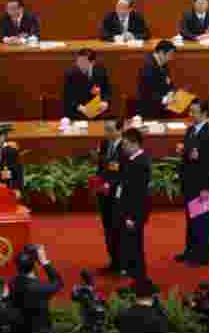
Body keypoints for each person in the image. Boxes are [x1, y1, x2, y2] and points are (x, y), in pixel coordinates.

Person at [177, 98, 209, 266]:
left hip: (202, 186)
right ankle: (190, 251)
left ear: (203, 113)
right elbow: (191, 155)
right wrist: (186, 151)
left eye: (194, 111)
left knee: (202, 222)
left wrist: (206, 188)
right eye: (190, 111)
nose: (190, 114)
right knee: (191, 220)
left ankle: (202, 256)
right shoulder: (190, 130)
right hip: (189, 183)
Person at [116, 128, 152, 280]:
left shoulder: (141, 163)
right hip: (127, 209)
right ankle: (131, 270)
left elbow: (139, 195)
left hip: (135, 212)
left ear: (135, 144)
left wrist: (132, 216)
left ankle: (140, 275)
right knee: (129, 242)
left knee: (136, 244)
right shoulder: (130, 159)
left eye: (125, 145)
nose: (123, 148)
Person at [96, 117, 130, 274]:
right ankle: (113, 261)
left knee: (119, 230)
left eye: (110, 130)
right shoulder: (104, 144)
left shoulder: (125, 147)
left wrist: (111, 184)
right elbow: (102, 166)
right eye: (106, 130)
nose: (107, 133)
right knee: (108, 228)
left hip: (118, 196)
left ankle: (123, 264)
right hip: (104, 194)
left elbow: (123, 173)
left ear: (120, 130)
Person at [9, 245, 63, 333]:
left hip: (18, 330)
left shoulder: (13, 283)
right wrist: (44, 262)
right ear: (33, 265)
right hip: (39, 331)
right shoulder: (40, 287)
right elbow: (58, 282)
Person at [64, 48, 112, 119]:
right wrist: (81, 108)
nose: (79, 65)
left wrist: (105, 102)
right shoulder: (71, 73)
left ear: (92, 62)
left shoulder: (101, 71)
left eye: (83, 62)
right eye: (78, 61)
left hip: (98, 111)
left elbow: (107, 91)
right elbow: (68, 97)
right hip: (78, 112)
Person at [138, 41, 175, 118]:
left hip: (163, 107)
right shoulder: (147, 66)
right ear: (161, 53)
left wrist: (171, 92)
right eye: (170, 55)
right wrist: (165, 99)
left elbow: (169, 81)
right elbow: (147, 93)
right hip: (150, 110)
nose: (171, 58)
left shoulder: (163, 63)